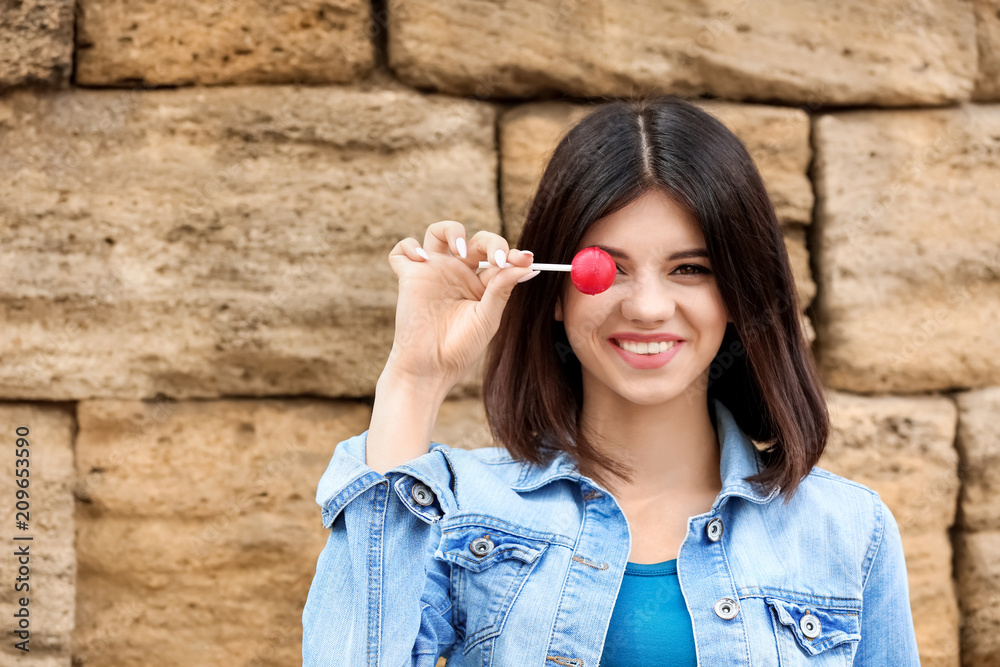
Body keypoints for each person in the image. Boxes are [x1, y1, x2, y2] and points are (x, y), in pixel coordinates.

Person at [302, 95, 920, 666]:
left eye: (690, 268)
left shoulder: (847, 531)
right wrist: (414, 377)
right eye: (608, 269)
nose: (648, 307)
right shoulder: (463, 513)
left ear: (738, 292)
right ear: (554, 293)